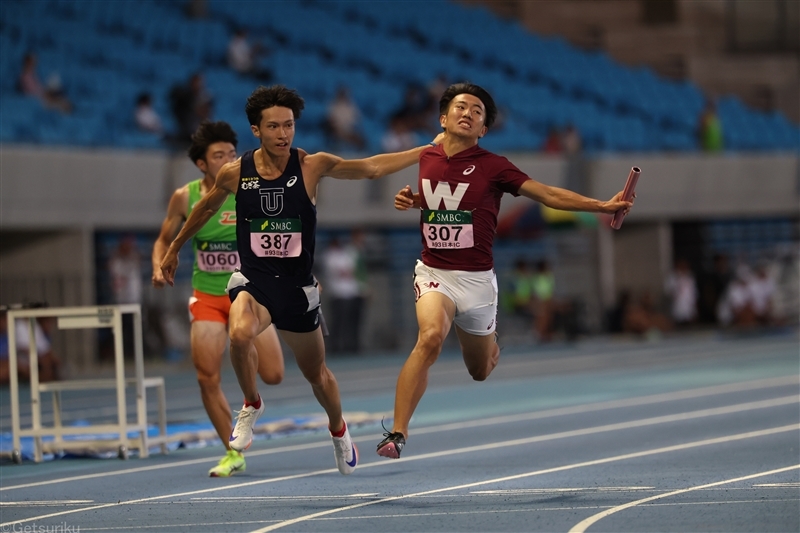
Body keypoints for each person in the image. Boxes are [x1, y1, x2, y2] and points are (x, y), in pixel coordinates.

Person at [159, 85, 444, 475]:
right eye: (273, 126)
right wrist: (174, 248)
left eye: (289, 125)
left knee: (318, 375)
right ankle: (251, 403)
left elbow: (372, 167)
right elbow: (204, 208)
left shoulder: (312, 165)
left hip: (296, 290)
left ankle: (338, 430)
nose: (283, 134)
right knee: (240, 333)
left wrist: (428, 150)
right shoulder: (236, 172)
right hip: (254, 281)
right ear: (256, 130)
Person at [377, 82, 633, 459]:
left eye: (477, 112)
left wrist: (600, 205)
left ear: (483, 130)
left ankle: (491, 341)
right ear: (443, 118)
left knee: (479, 370)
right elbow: (444, 202)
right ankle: (397, 433)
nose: (468, 113)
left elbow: (546, 194)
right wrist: (415, 201)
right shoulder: (427, 156)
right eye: (461, 107)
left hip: (478, 282)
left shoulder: (494, 166)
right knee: (430, 337)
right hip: (435, 271)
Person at [152, 120, 285, 477]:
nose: (228, 159)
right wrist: (158, 264)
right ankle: (233, 450)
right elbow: (164, 239)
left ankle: (250, 400)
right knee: (206, 377)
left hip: (250, 293)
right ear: (202, 164)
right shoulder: (185, 197)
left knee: (273, 374)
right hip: (208, 297)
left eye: (231, 152)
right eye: (218, 155)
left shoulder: (251, 188)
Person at [325, 86, 365, 151]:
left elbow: (357, 119)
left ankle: (357, 156)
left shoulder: (350, 106)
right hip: (337, 129)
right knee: (338, 133)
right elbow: (330, 120)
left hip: (350, 129)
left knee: (361, 139)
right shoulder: (333, 105)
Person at [664, 258, 698, 327]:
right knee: (678, 323)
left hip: (688, 306)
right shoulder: (673, 277)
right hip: (677, 306)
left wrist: (695, 306)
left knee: (688, 324)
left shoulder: (690, 277)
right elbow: (668, 291)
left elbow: (693, 293)